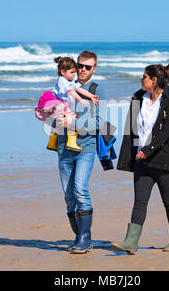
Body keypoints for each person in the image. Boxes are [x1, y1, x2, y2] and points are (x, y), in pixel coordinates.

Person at [111, 62, 169, 254]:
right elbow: (131, 129)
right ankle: (131, 241)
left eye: (144, 76)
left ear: (154, 80)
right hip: (142, 161)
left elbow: (166, 132)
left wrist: (148, 148)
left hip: (166, 161)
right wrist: (129, 156)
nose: (141, 79)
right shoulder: (137, 98)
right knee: (140, 201)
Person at [55, 51, 107, 254]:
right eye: (80, 66)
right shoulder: (63, 84)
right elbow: (53, 109)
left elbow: (98, 123)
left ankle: (85, 239)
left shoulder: (97, 90)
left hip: (86, 148)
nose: (82, 70)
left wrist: (73, 123)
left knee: (80, 190)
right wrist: (50, 117)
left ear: (94, 69)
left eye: (87, 67)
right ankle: (79, 237)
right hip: (63, 148)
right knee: (69, 197)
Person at [34, 56, 99, 152]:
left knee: (62, 121)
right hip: (58, 104)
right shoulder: (62, 80)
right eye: (72, 72)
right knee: (72, 119)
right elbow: (71, 91)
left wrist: (91, 96)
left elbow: (78, 89)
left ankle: (52, 143)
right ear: (63, 72)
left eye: (74, 72)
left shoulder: (70, 80)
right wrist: (81, 100)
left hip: (62, 104)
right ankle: (71, 142)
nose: (74, 75)